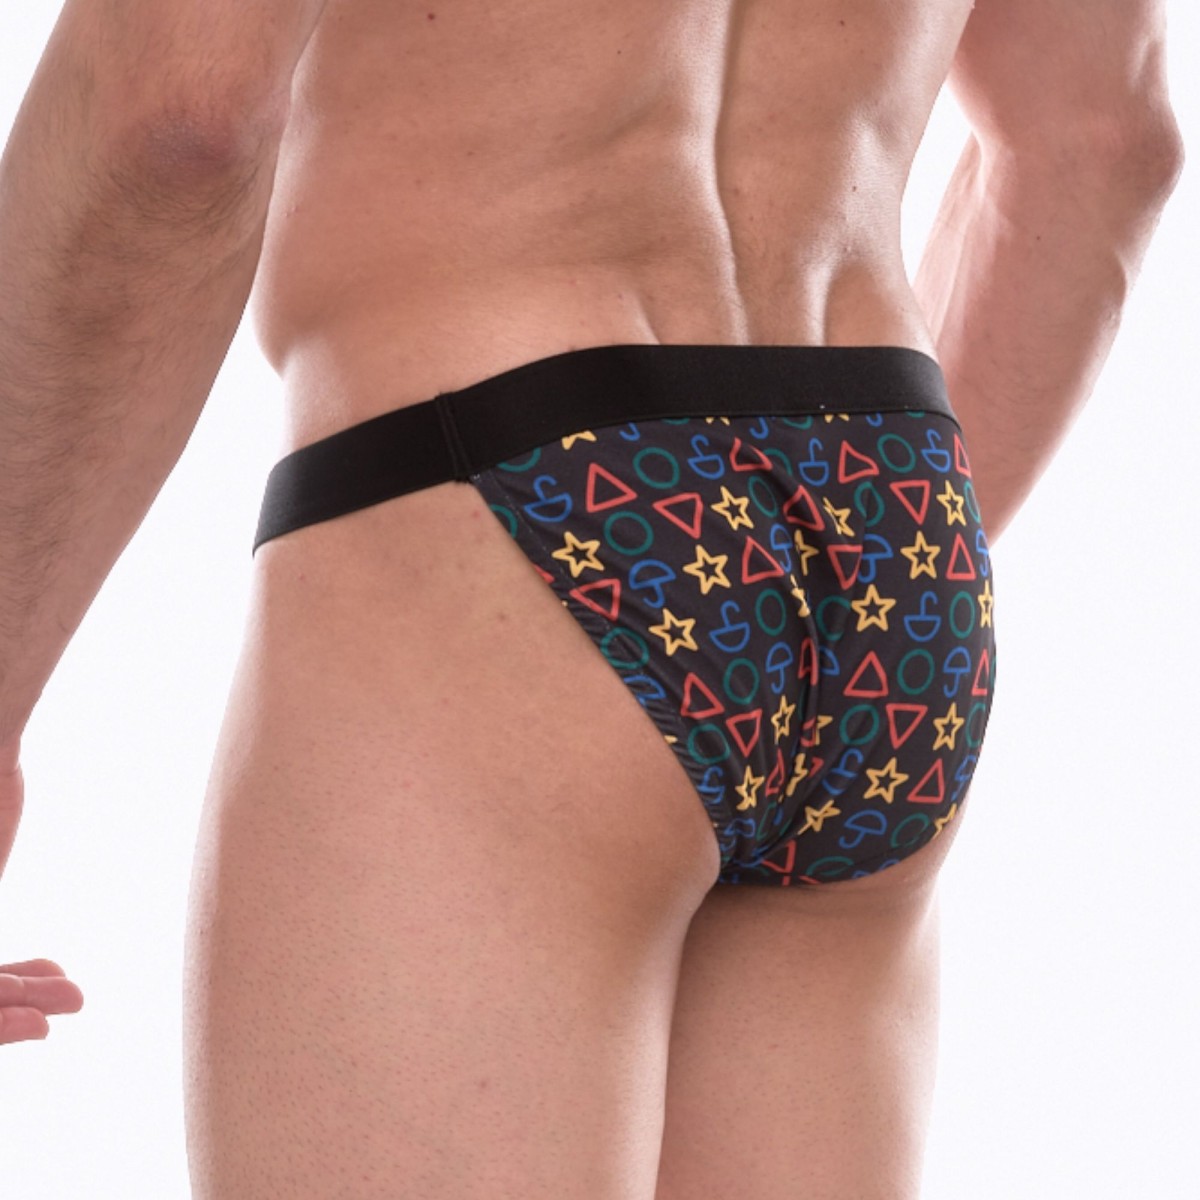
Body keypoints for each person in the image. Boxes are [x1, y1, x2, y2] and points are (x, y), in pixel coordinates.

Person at [0, 0, 1182, 1194]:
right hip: (891, 533)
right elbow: (1105, 141)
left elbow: (180, 110)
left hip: (515, 473)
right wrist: (836, 600)